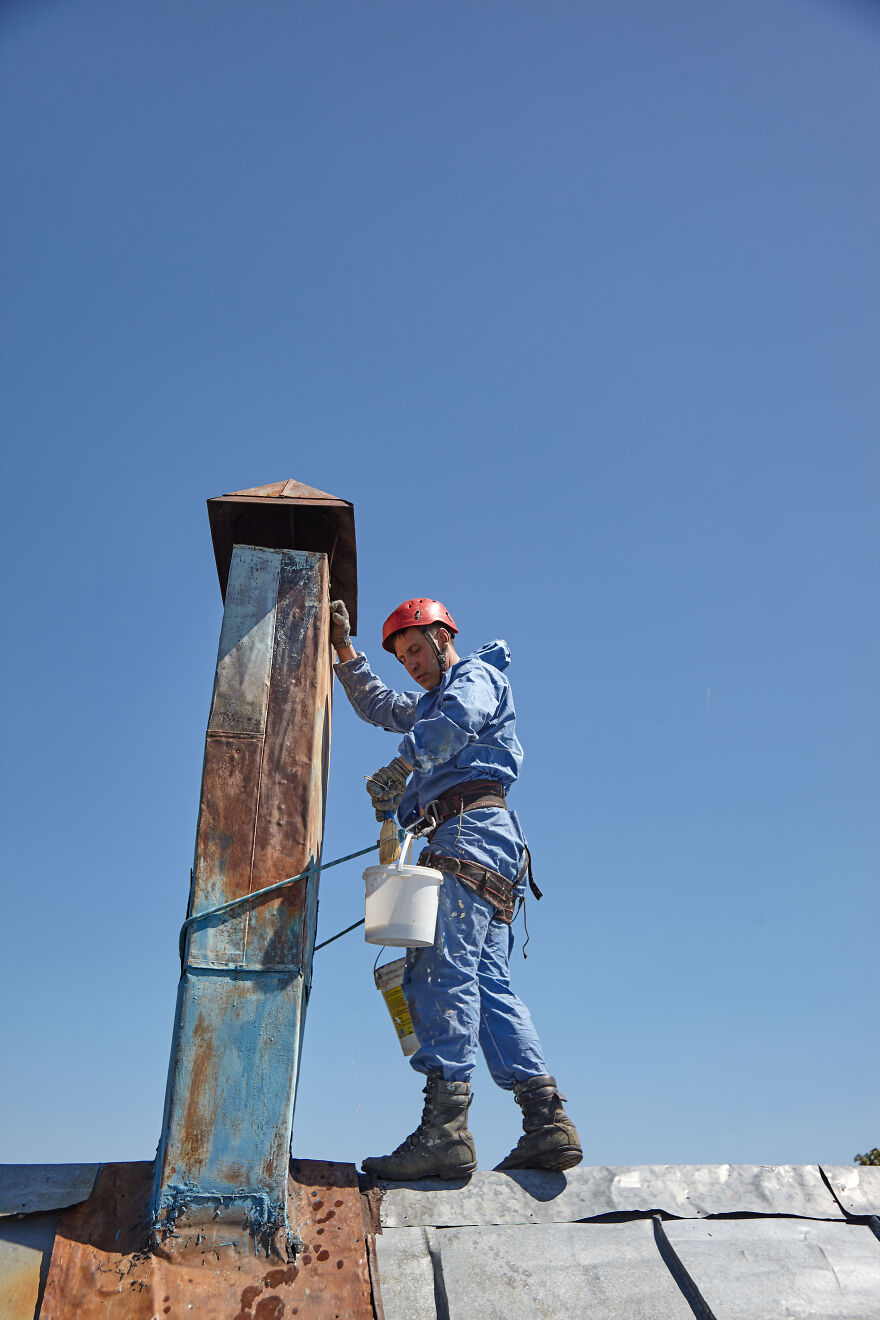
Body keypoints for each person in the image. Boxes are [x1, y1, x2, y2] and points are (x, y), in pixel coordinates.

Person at [329, 596, 582, 1180]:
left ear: (444, 637)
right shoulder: (429, 699)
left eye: (418, 649)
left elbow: (456, 721)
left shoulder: (475, 677)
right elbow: (380, 705)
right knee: (488, 985)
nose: (412, 664)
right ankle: (546, 1121)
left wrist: (403, 769)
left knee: (439, 972)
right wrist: (344, 651)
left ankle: (445, 1132)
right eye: (402, 657)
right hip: (487, 841)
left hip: (468, 835)